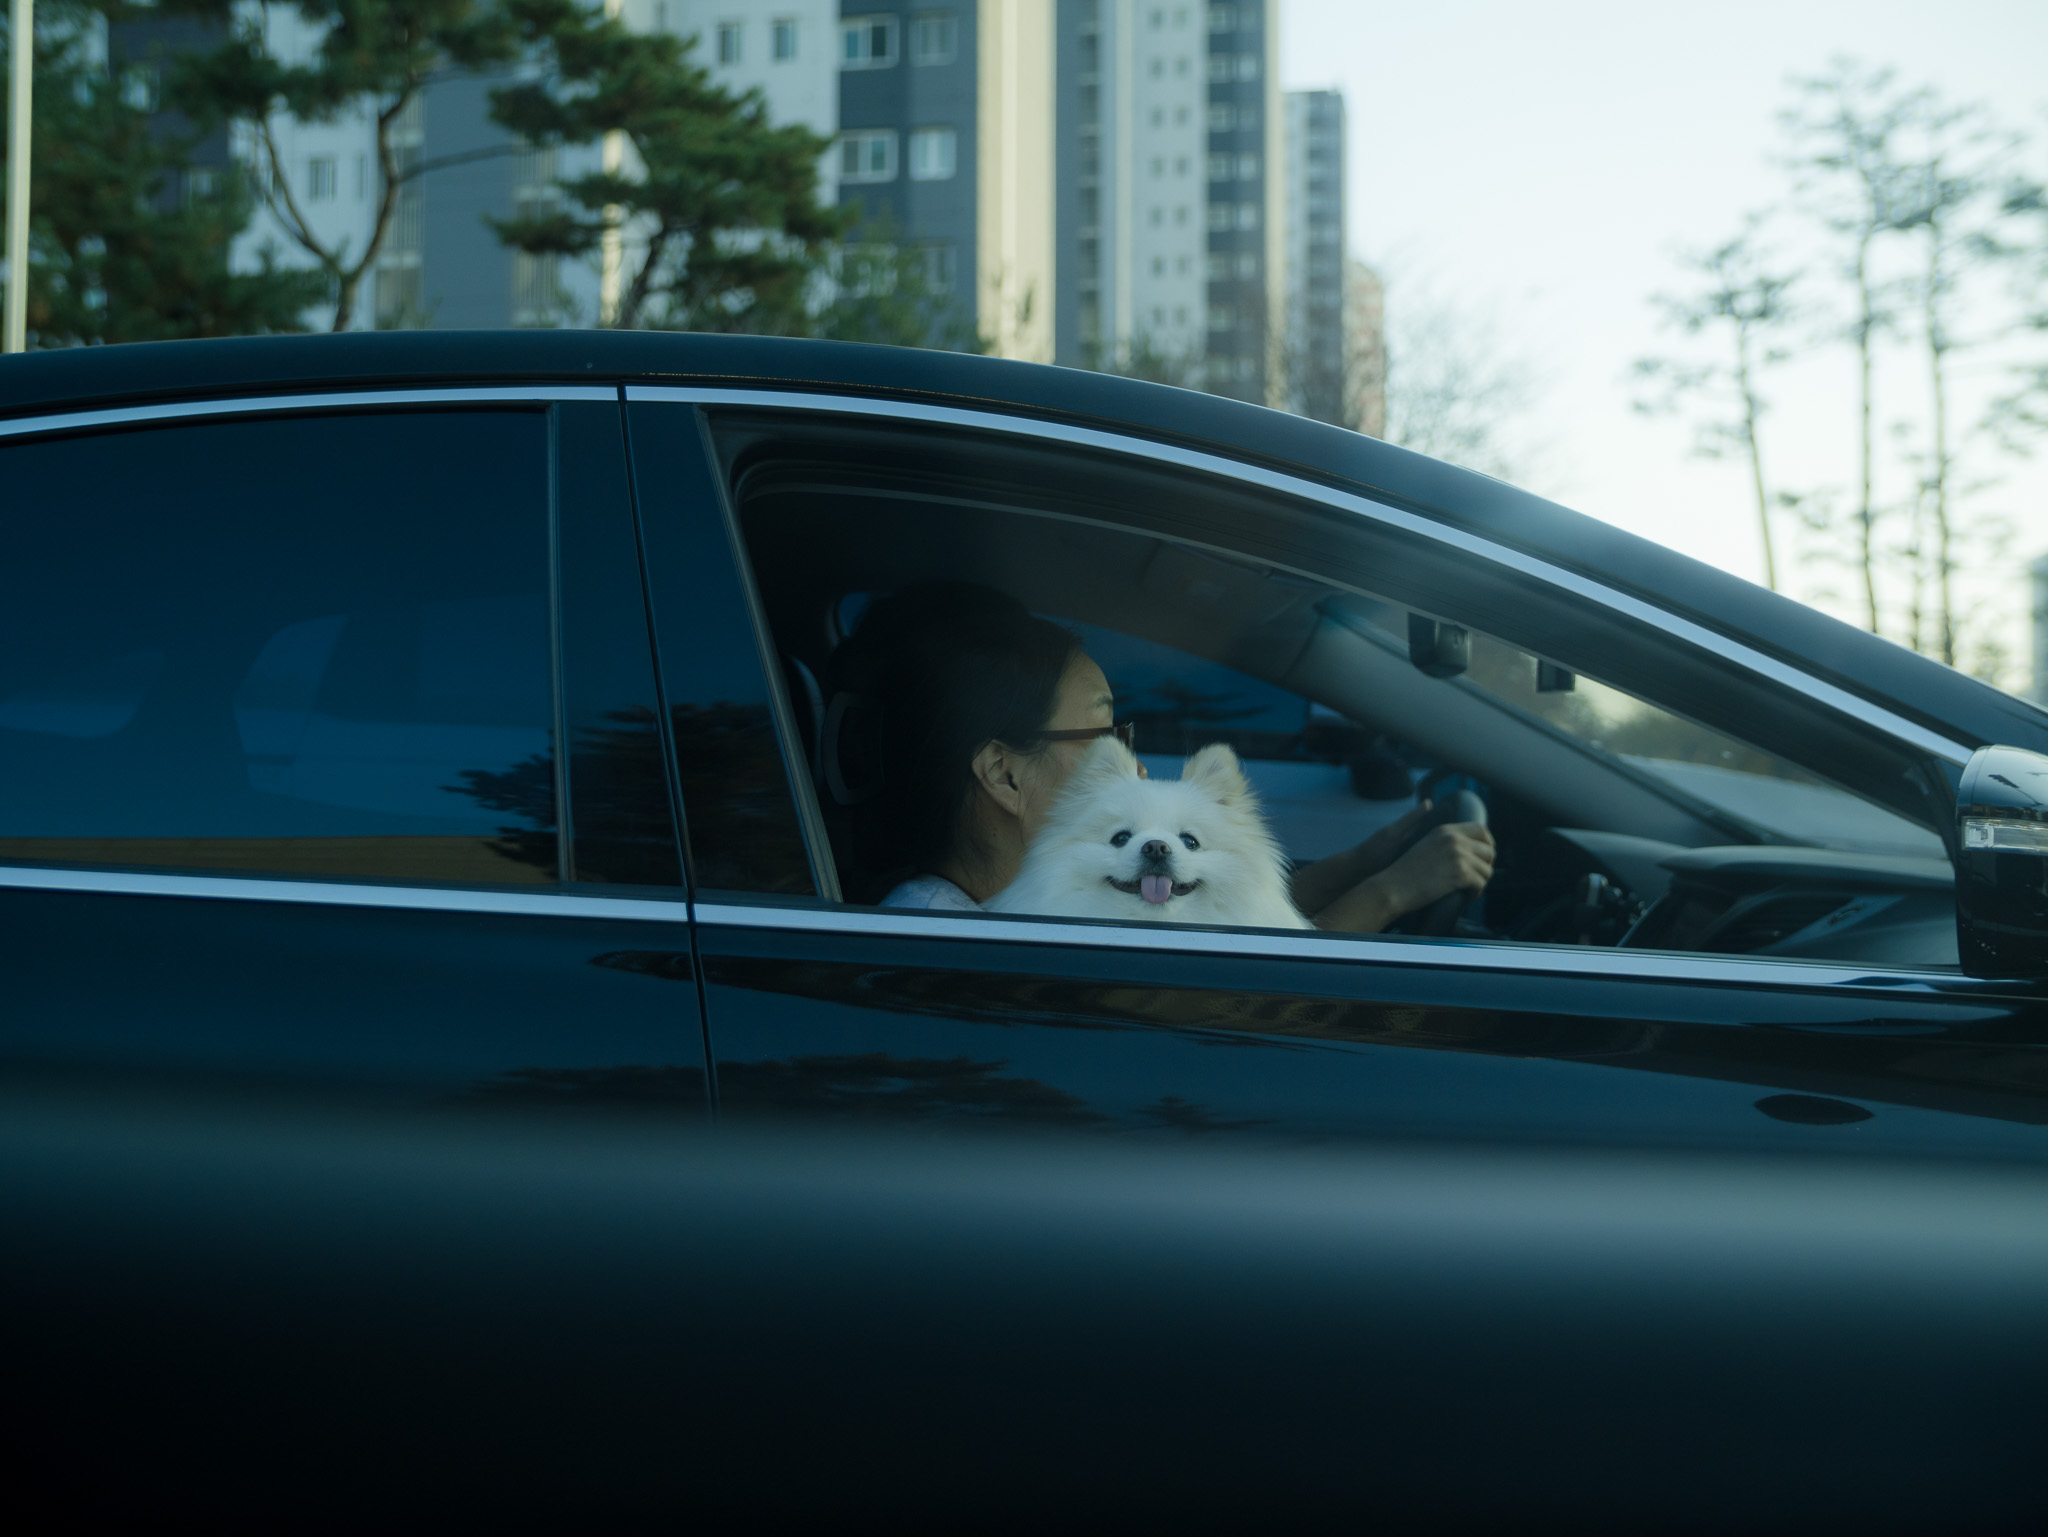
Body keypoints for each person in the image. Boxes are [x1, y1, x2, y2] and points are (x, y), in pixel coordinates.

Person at [827, 582, 1494, 929]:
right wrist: (1391, 893)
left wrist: (1367, 859)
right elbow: (1246, 1001)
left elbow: (1221, 918)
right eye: (1104, 736)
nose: (1136, 767)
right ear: (1005, 774)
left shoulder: (1016, 907)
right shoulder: (953, 941)